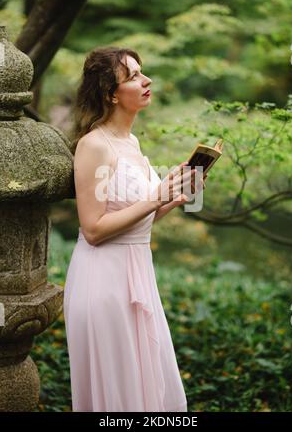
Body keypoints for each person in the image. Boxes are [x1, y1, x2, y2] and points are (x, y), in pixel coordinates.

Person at [64, 46, 204, 412]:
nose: (147, 81)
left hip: (138, 275)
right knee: (119, 396)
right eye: (135, 76)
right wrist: (155, 197)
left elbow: (139, 220)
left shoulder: (132, 143)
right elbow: (93, 228)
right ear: (111, 93)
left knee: (147, 392)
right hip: (104, 281)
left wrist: (173, 196)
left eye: (143, 73)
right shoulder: (94, 146)